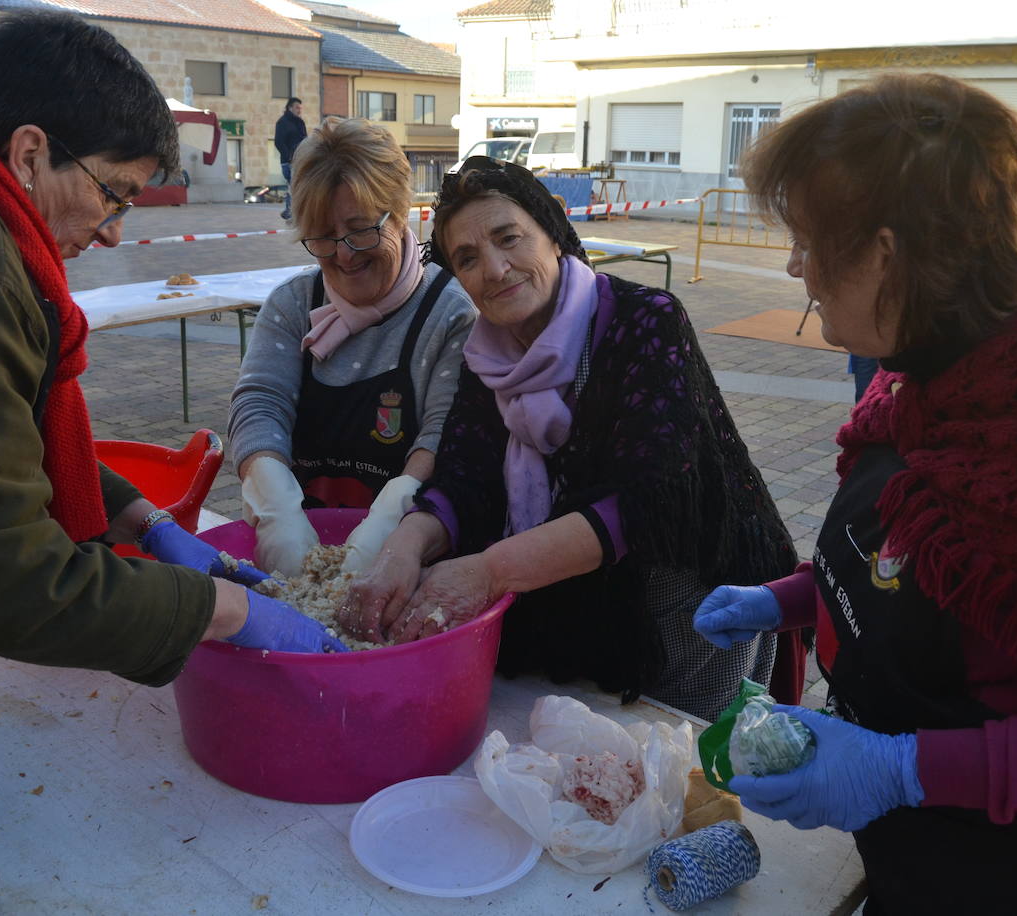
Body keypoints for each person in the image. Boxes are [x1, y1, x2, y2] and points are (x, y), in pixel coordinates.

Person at [0, 13, 342, 914]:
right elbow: (5, 579)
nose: (117, 231)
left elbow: (0, 441)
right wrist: (225, 609)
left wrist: (146, 521)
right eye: (114, 194)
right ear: (31, 150)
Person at [694, 74, 1017, 913]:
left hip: (1016, 875)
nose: (796, 267)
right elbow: (912, 561)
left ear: (887, 253)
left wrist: (902, 770)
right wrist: (789, 600)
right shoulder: (930, 374)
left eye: (807, 240)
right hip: (905, 858)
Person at [340, 156, 798, 721]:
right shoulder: (486, 354)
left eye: (510, 239)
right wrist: (401, 549)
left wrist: (487, 571)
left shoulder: (645, 320)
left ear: (553, 233)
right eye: (467, 258)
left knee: (681, 766)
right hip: (572, 594)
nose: (496, 268)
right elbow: (464, 476)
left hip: (685, 605)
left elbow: (647, 502)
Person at [228, 116, 476, 577]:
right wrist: (275, 507)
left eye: (361, 230)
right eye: (322, 236)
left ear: (399, 213)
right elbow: (260, 403)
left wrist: (390, 519)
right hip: (304, 542)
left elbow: (444, 432)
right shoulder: (292, 304)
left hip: (407, 557)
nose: (344, 254)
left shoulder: (449, 315)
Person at [274, 96, 306, 221]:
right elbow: (279, 142)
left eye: (300, 108)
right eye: (297, 108)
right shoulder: (282, 122)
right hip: (289, 162)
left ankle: (292, 211)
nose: (299, 110)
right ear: (290, 108)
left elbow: (305, 139)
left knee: (297, 186)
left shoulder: (300, 122)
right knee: (294, 185)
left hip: (301, 159)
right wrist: (289, 157)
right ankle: (290, 212)